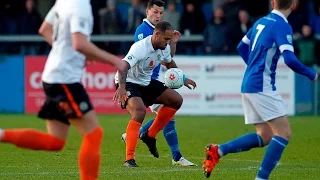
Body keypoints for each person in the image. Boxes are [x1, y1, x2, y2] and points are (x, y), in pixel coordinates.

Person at [0, 0, 127, 179]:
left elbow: (44, 29)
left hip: (53, 76)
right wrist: (114, 60)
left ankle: (2, 134)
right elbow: (79, 43)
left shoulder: (64, 2)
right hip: (64, 78)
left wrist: (69, 52)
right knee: (93, 134)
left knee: (55, 142)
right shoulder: (80, 5)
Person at [202, 0, 318, 179]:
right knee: (284, 133)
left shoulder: (260, 22)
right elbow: (290, 59)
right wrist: (311, 74)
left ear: (272, 3)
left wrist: (254, 66)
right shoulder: (282, 25)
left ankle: (218, 151)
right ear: (293, 5)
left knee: (265, 135)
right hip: (260, 85)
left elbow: (241, 47)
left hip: (249, 84)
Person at [120, 0, 196, 166]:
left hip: (147, 81)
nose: (168, 42)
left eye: (160, 13)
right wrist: (121, 88)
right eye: (166, 39)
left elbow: (169, 63)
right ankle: (130, 158)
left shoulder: (165, 45)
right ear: (156, 35)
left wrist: (183, 78)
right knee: (139, 112)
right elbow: (123, 66)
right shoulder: (141, 44)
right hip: (130, 81)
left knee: (176, 100)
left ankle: (149, 135)